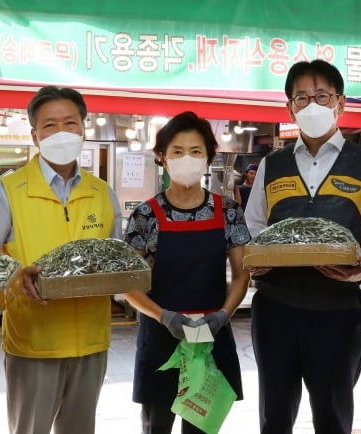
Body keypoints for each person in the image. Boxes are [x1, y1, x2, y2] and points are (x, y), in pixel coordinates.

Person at [244, 59, 361, 434]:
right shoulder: (271, 164)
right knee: (274, 414)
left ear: (339, 103)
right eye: (302, 98)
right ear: (289, 106)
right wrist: (253, 258)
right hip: (275, 307)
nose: (312, 106)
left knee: (332, 415)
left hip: (337, 310)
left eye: (321, 96)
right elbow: (253, 226)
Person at [0, 86, 122, 434]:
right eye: (50, 125)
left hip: (90, 340)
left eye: (71, 123)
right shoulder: (6, 191)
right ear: (35, 135)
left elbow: (117, 258)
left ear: (84, 129)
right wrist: (15, 277)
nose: (61, 132)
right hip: (33, 343)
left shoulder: (103, 193)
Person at [123, 111, 251, 434]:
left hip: (210, 337)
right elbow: (128, 284)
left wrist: (223, 315)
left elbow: (241, 274)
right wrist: (164, 316)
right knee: (156, 426)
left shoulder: (228, 213)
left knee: (202, 428)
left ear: (208, 158)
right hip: (160, 339)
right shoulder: (144, 216)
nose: (187, 159)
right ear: (161, 158)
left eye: (196, 151)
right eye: (177, 151)